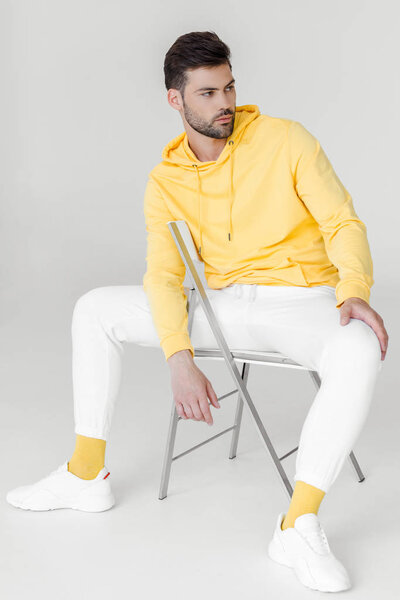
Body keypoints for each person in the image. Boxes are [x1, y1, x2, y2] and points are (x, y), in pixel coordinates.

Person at [6, 31, 388, 593]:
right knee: (94, 309)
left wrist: (353, 288)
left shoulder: (286, 140)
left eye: (229, 88)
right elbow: (163, 276)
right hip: (223, 305)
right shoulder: (165, 181)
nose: (225, 103)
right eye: (207, 93)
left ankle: (297, 522)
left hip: (300, 300)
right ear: (175, 99)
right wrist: (178, 355)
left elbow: (342, 223)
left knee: (359, 346)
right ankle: (86, 473)